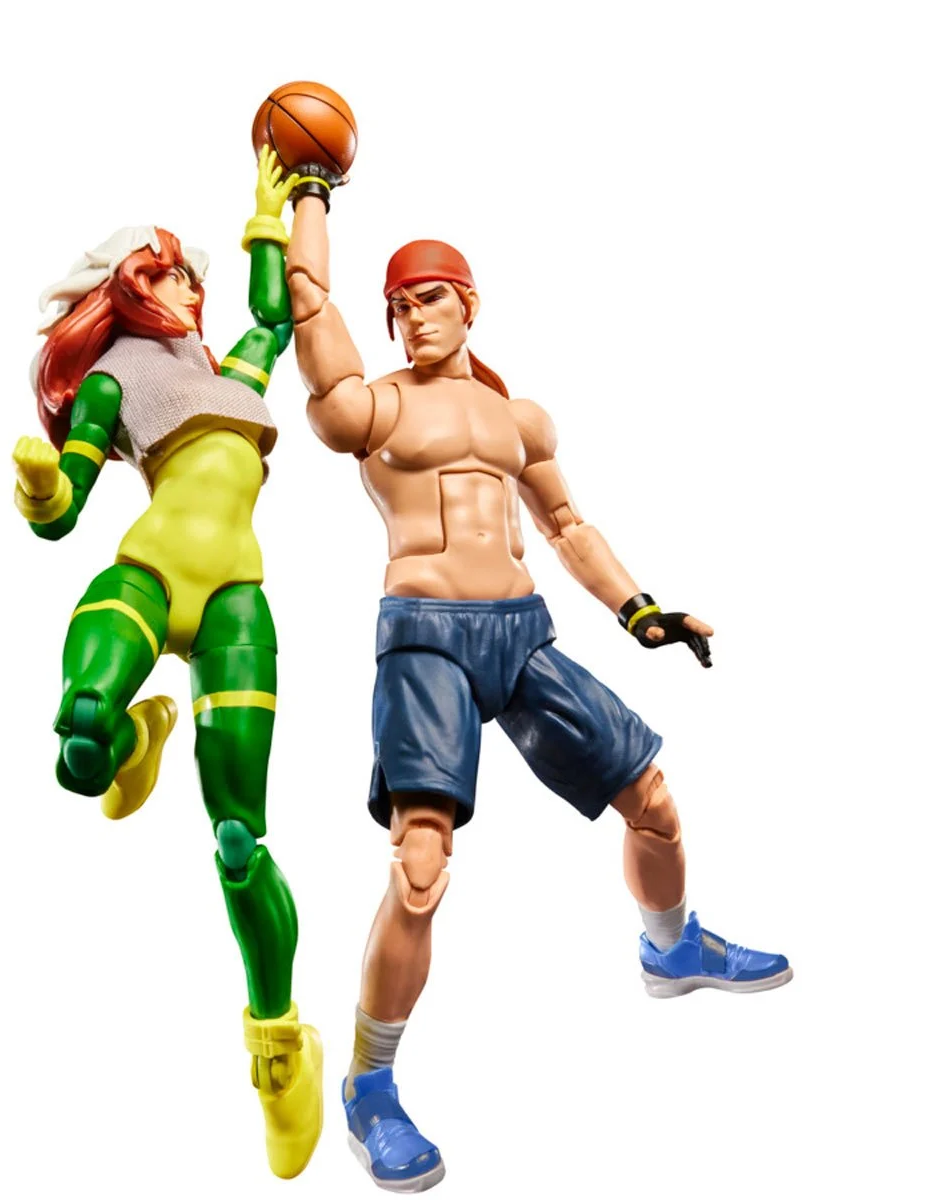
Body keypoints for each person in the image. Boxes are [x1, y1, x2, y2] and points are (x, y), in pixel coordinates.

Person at [283, 170, 791, 1192]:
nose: (411, 316)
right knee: (420, 869)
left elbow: (566, 525)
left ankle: (672, 949)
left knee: (654, 801)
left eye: (429, 297)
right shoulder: (377, 406)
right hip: (425, 640)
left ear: (470, 303)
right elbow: (311, 307)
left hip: (521, 634)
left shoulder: (520, 418)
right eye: (397, 306)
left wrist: (640, 609)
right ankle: (370, 1087)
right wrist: (309, 198)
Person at [11, 150, 322, 1180]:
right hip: (147, 574)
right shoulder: (118, 379)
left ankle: (279, 1044)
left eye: (195, 273)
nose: (196, 287)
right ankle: (125, 740)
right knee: (78, 737)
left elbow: (275, 319)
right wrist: (42, 494)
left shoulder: (230, 376)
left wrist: (270, 220)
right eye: (177, 272)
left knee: (239, 839)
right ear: (137, 283)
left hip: (235, 597)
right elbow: (66, 503)